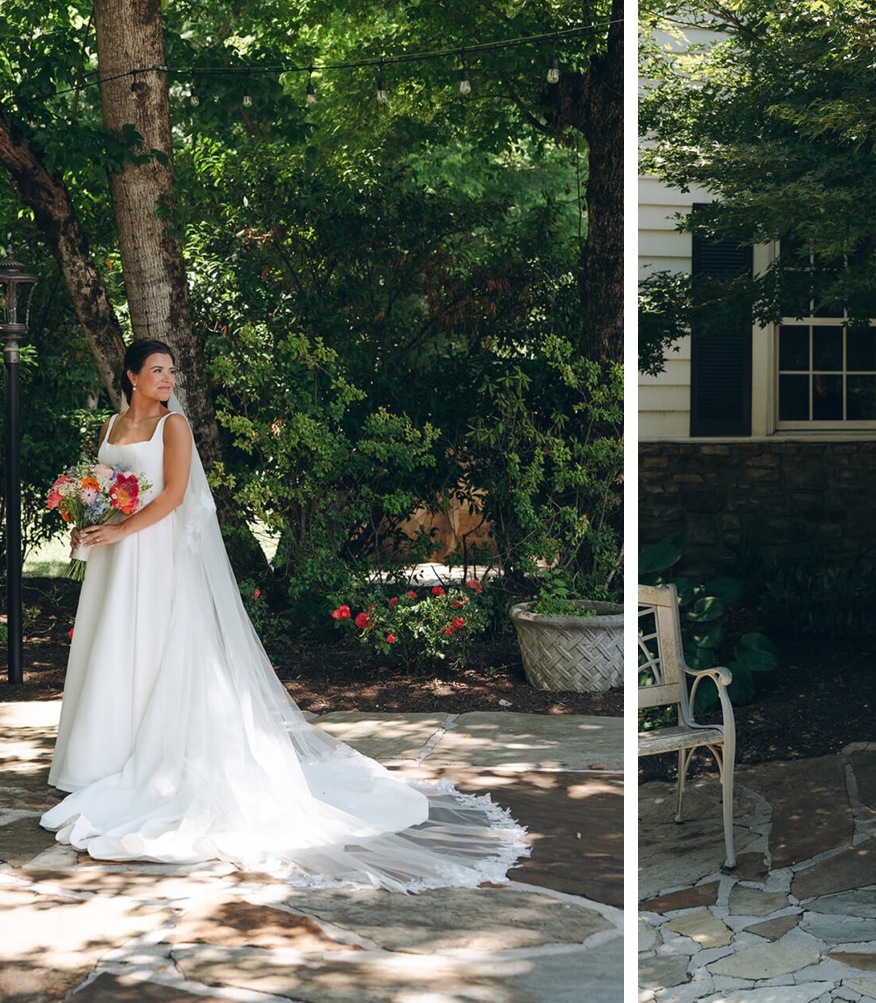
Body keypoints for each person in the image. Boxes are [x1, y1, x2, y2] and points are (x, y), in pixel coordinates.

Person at [43, 339, 527, 891]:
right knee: (111, 647)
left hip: (152, 556)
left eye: (171, 371)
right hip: (115, 557)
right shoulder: (109, 427)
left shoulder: (173, 427)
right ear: (130, 375)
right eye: (156, 370)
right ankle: (101, 758)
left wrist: (124, 528)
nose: (167, 379)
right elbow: (100, 490)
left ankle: (146, 764)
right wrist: (87, 521)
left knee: (152, 647)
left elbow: (175, 494)